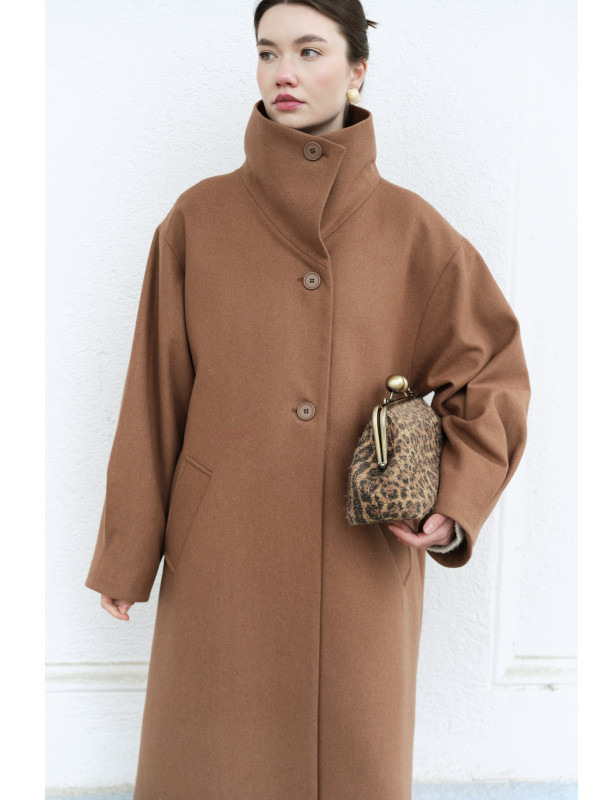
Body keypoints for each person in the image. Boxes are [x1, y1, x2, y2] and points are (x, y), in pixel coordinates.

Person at [84, 1, 531, 798]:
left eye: (308, 50)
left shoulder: (412, 231)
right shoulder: (198, 219)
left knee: (350, 760)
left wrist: (452, 503)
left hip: (362, 559)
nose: (283, 72)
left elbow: (491, 371)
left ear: (357, 70)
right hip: (223, 551)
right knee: (213, 763)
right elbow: (155, 393)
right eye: (267, 53)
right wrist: (128, 551)